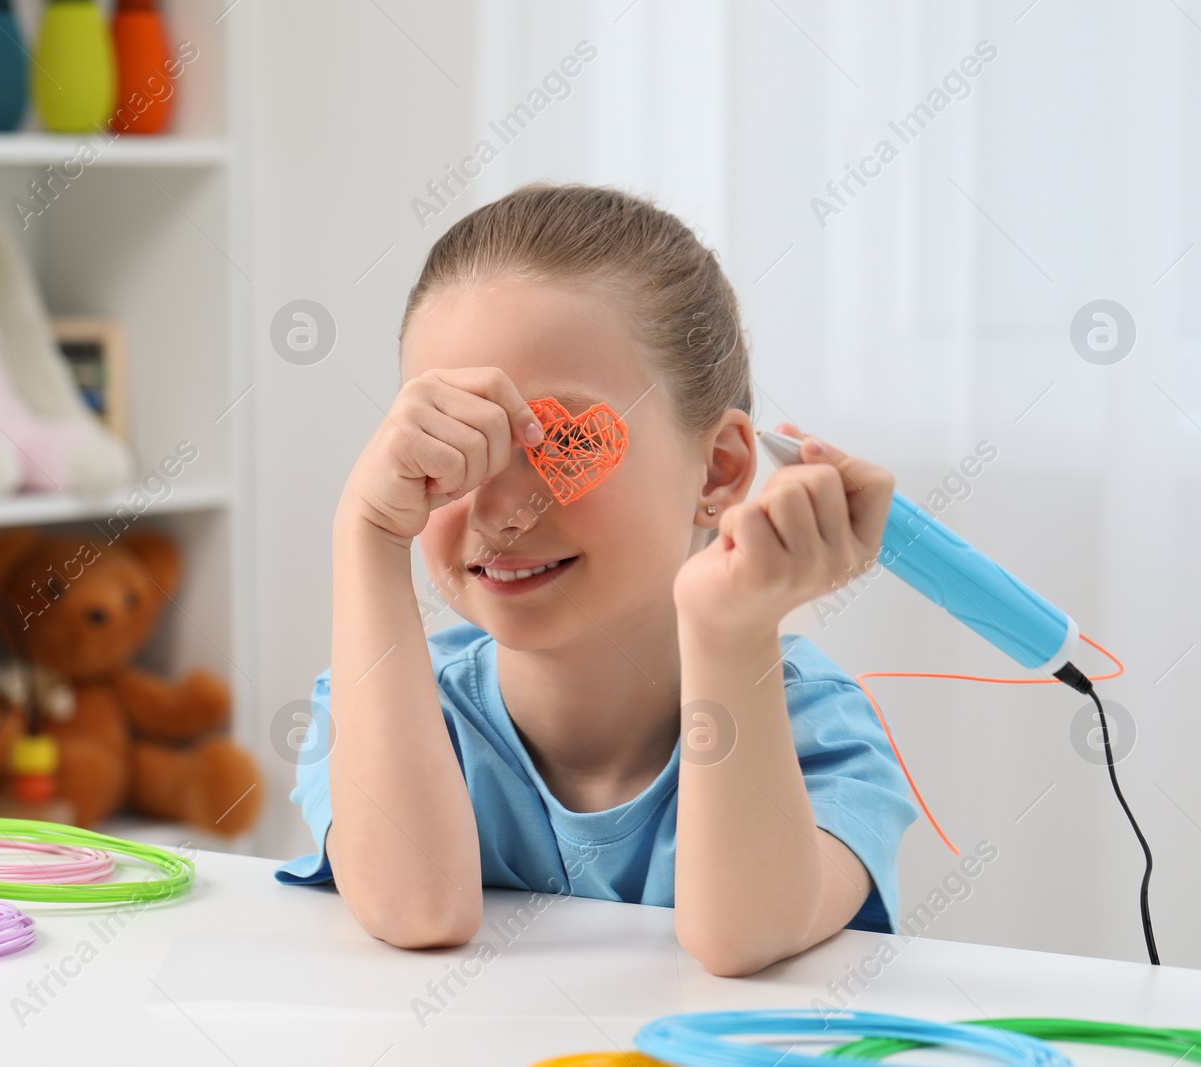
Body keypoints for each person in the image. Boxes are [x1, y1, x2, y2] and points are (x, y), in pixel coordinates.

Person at [274, 183, 917, 977]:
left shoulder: (818, 728)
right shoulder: (379, 703)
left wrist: (729, 629)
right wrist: (366, 532)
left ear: (718, 469)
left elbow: (741, 939)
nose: (500, 510)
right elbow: (420, 909)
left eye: (565, 442)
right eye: (451, 447)